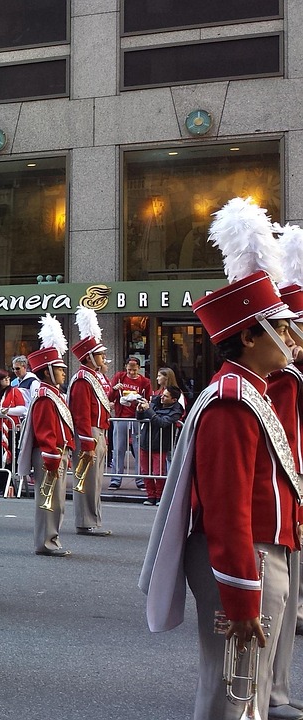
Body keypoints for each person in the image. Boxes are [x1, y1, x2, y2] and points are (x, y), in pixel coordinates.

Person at [140, 197, 302, 720]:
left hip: (260, 549)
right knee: (233, 695)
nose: (294, 340)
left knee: (245, 694)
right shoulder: (234, 399)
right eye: (283, 327)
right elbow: (229, 508)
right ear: (251, 335)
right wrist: (240, 594)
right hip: (244, 556)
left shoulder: (249, 389)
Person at [266, 225, 303, 720]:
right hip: (282, 499)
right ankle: (272, 693)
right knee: (278, 599)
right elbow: (287, 446)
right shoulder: (286, 379)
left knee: (286, 595)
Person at [17, 316, 74, 557]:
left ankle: (51, 539)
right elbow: (45, 430)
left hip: (57, 454)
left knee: (56, 502)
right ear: (49, 371)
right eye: (59, 369)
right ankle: (46, 542)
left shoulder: (53, 394)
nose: (64, 373)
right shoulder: (44, 396)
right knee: (48, 502)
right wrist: (53, 456)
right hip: (49, 455)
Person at [68, 306, 114, 537]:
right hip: (90, 434)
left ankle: (92, 520)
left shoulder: (94, 377)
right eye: (100, 355)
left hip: (99, 432)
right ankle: (86, 522)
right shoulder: (83, 379)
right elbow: (81, 415)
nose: (104, 359)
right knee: (87, 481)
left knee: (95, 481)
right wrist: (87, 443)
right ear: (89, 357)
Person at [134, 385, 184, 505]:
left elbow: (162, 422)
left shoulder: (176, 411)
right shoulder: (155, 403)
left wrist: (148, 410)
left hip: (160, 444)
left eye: (166, 396)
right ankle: (150, 495)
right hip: (146, 441)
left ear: (174, 400)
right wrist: (139, 410)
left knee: (158, 473)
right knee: (145, 471)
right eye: (163, 394)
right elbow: (140, 418)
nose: (162, 397)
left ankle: (160, 496)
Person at [107, 357, 150, 490]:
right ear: (125, 367)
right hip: (121, 418)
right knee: (118, 449)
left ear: (139, 368)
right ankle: (116, 478)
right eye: (129, 369)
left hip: (137, 418)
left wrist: (140, 403)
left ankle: (140, 478)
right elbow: (109, 398)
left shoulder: (145, 382)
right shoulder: (119, 377)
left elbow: (147, 400)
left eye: (134, 369)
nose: (131, 372)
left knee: (139, 450)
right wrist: (114, 389)